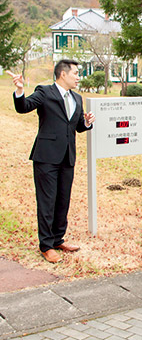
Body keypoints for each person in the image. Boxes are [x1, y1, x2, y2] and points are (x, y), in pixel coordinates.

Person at [7, 60, 95, 263]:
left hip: (67, 157)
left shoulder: (77, 98)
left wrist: (86, 123)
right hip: (46, 157)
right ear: (63, 74)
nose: (78, 76)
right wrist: (20, 90)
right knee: (47, 201)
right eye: (75, 73)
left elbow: (76, 126)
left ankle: (57, 239)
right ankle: (46, 245)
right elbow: (24, 107)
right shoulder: (45, 92)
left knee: (63, 200)